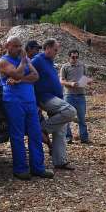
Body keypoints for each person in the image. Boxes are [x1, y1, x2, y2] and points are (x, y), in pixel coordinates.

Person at [0, 36, 53, 180]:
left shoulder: (26, 60)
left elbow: (35, 76)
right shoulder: (3, 61)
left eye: (20, 45)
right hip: (14, 102)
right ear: (7, 46)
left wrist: (19, 80)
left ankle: (38, 168)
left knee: (35, 133)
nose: (19, 48)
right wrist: (22, 63)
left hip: (29, 101)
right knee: (18, 135)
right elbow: (16, 73)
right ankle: (20, 169)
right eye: (16, 46)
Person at [31, 39, 77, 170]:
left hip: (56, 97)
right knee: (70, 111)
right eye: (55, 50)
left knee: (61, 131)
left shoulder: (50, 62)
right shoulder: (38, 59)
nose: (57, 52)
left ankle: (59, 161)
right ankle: (42, 128)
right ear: (48, 48)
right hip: (45, 97)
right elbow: (26, 72)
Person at [26, 39, 53, 153]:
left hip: (35, 100)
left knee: (40, 124)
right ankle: (49, 146)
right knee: (37, 127)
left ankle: (49, 145)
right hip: (29, 100)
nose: (38, 51)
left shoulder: (32, 61)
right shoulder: (27, 62)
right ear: (30, 49)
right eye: (36, 48)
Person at [60, 50, 92, 144]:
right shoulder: (64, 67)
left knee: (82, 118)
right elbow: (61, 81)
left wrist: (88, 81)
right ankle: (68, 137)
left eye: (76, 57)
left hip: (81, 95)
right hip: (69, 95)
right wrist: (71, 83)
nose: (75, 59)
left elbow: (86, 77)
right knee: (67, 117)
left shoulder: (82, 66)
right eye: (73, 57)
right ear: (69, 57)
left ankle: (84, 138)